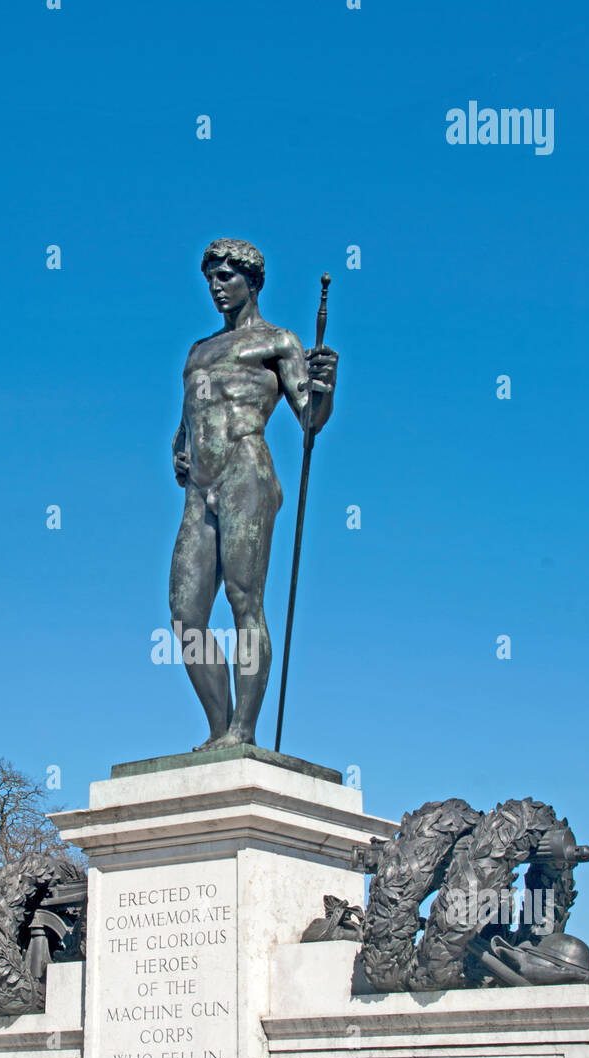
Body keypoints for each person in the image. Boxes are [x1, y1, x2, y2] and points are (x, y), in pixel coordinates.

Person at [169, 237, 338, 748]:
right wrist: (178, 448)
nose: (217, 288)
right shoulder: (199, 350)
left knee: (245, 600)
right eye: (210, 279)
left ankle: (243, 731)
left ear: (252, 281)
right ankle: (219, 729)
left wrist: (327, 386)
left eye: (226, 277)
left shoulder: (279, 342)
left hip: (247, 469)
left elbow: (309, 418)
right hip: (199, 484)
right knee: (186, 616)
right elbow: (190, 416)